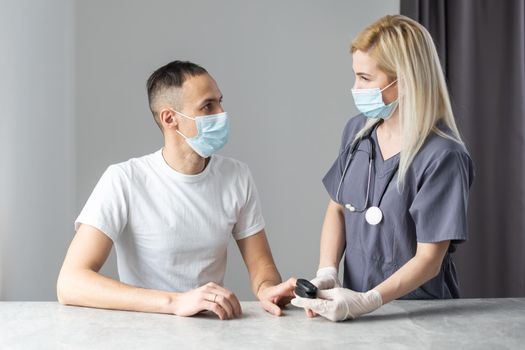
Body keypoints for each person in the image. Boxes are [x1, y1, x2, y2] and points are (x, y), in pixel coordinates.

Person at [57, 60, 295, 320]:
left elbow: (261, 265)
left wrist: (267, 289)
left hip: (211, 330)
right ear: (169, 118)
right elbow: (70, 283)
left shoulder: (236, 176)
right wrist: (176, 302)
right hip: (144, 331)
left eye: (220, 101)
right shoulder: (124, 179)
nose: (222, 113)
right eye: (208, 106)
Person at [291, 15, 474, 321]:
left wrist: (368, 300)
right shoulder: (357, 133)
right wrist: (328, 272)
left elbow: (429, 258)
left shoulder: (443, 156)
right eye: (355, 76)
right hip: (354, 310)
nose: (355, 87)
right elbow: (337, 208)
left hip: (421, 315)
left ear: (405, 80)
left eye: (364, 78)